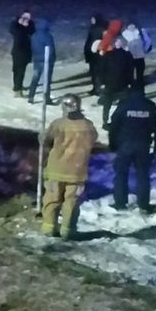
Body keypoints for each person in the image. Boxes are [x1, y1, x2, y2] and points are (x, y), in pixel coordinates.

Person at [41, 94, 98, 239]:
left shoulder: (58, 124)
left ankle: (49, 227)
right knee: (71, 202)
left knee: (52, 199)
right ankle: (68, 229)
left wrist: (41, 138)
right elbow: (93, 142)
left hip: (56, 169)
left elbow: (47, 140)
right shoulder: (88, 125)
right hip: (77, 171)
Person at [108, 81, 156, 213]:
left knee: (121, 174)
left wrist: (112, 144)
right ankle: (143, 204)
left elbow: (114, 125)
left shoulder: (124, 104)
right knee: (143, 175)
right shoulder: (150, 106)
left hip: (125, 145)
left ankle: (120, 203)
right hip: (143, 145)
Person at [100, 35, 135, 128]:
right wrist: (102, 82)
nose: (119, 43)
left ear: (123, 43)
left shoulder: (127, 55)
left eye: (120, 42)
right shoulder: (108, 54)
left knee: (123, 105)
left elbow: (130, 70)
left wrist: (131, 83)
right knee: (107, 105)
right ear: (114, 43)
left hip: (123, 84)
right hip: (109, 84)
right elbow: (103, 69)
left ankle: (119, 121)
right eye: (117, 41)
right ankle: (105, 122)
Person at [26, 16, 56, 105]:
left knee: (35, 78)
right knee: (46, 81)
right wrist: (52, 59)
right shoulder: (47, 36)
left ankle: (31, 96)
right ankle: (47, 98)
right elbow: (50, 49)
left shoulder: (34, 35)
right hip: (46, 61)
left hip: (36, 60)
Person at [9, 10, 34, 97]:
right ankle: (17, 90)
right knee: (18, 71)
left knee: (19, 71)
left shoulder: (28, 26)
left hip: (24, 53)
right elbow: (12, 30)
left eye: (29, 18)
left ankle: (17, 86)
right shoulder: (17, 27)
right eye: (25, 17)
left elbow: (32, 31)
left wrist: (28, 24)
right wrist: (18, 22)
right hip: (18, 52)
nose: (27, 19)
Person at [83, 13, 107, 95]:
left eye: (93, 19)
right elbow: (89, 41)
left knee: (99, 72)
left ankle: (99, 89)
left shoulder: (102, 29)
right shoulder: (92, 28)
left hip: (99, 53)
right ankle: (95, 88)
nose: (92, 21)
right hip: (92, 53)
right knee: (93, 72)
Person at [121, 21, 148, 85]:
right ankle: (130, 82)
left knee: (140, 69)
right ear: (127, 26)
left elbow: (146, 41)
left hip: (140, 55)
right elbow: (122, 44)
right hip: (130, 55)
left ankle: (140, 82)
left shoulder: (140, 32)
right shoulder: (124, 34)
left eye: (133, 25)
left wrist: (145, 49)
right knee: (129, 70)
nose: (131, 27)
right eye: (129, 25)